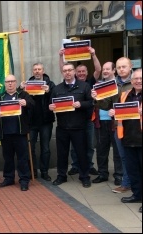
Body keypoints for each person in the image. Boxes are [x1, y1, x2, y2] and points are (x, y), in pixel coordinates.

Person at [92, 57, 133, 194]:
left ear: (130, 67)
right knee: (123, 156)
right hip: (119, 126)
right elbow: (106, 104)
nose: (121, 69)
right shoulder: (113, 84)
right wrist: (97, 97)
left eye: (124, 67)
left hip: (135, 127)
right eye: (120, 67)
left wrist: (121, 110)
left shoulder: (136, 82)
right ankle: (126, 183)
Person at [49, 62, 93, 188]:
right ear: (62, 73)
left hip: (79, 127)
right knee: (61, 153)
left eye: (69, 70)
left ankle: (84, 176)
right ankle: (61, 176)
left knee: (82, 153)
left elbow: (91, 103)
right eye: (65, 70)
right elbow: (50, 105)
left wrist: (81, 104)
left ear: (74, 72)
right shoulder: (57, 89)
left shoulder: (84, 86)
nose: (67, 72)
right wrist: (50, 107)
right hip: (62, 127)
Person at [59, 46, 100, 176]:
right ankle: (76, 166)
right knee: (75, 147)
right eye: (79, 71)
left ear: (87, 73)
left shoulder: (89, 83)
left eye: (83, 71)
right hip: (72, 122)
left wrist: (93, 54)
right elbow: (63, 69)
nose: (81, 73)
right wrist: (61, 56)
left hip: (89, 119)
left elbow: (98, 69)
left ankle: (89, 166)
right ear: (75, 73)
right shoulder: (65, 84)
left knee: (88, 146)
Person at [0, 74, 35, 191]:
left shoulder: (23, 95)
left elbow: (33, 105)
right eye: (7, 82)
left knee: (22, 158)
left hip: (20, 132)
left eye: (12, 81)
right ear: (5, 84)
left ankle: (24, 180)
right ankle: (8, 178)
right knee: (8, 158)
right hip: (5, 133)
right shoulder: (0, 97)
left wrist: (26, 103)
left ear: (16, 83)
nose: (10, 84)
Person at [108, 68, 142, 212]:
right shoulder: (125, 95)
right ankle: (137, 195)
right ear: (131, 81)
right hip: (128, 139)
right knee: (133, 170)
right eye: (135, 79)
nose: (138, 81)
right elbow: (120, 112)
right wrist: (113, 113)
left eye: (141, 78)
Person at [19, 63, 55, 181]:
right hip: (31, 122)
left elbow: (56, 98)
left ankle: (44, 171)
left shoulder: (50, 84)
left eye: (39, 69)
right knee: (31, 148)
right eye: (35, 69)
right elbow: (20, 99)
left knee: (45, 148)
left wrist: (49, 91)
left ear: (43, 71)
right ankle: (32, 171)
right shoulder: (27, 84)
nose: (37, 71)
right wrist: (21, 89)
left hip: (46, 121)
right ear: (32, 71)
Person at [92, 62, 123, 185]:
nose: (105, 71)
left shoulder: (118, 85)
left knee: (117, 150)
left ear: (113, 70)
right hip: (100, 122)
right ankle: (102, 174)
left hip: (114, 122)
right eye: (104, 69)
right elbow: (97, 103)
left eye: (108, 69)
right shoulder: (98, 85)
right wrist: (94, 97)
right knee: (101, 150)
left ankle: (118, 175)